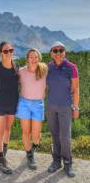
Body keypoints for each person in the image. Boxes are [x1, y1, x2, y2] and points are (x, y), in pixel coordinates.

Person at [46, 41, 80, 178]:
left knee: (65, 137)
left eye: (61, 50)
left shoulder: (72, 67)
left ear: (64, 52)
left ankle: (68, 163)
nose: (58, 53)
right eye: (55, 50)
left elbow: (76, 89)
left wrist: (76, 107)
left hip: (66, 106)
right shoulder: (48, 67)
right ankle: (56, 161)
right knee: (54, 135)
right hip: (51, 106)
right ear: (51, 53)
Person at [0, 41, 19, 174]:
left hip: (13, 103)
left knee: (8, 129)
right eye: (6, 51)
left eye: (11, 50)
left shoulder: (16, 66)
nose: (9, 53)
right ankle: (1, 159)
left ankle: (4, 153)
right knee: (0, 130)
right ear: (1, 53)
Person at [16, 48, 47, 170]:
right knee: (25, 132)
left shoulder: (44, 70)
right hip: (24, 103)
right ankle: (29, 155)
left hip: (38, 104)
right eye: (31, 57)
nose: (34, 59)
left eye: (36, 57)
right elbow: (10, 82)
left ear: (39, 58)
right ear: (27, 59)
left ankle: (35, 144)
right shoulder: (21, 72)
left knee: (35, 135)